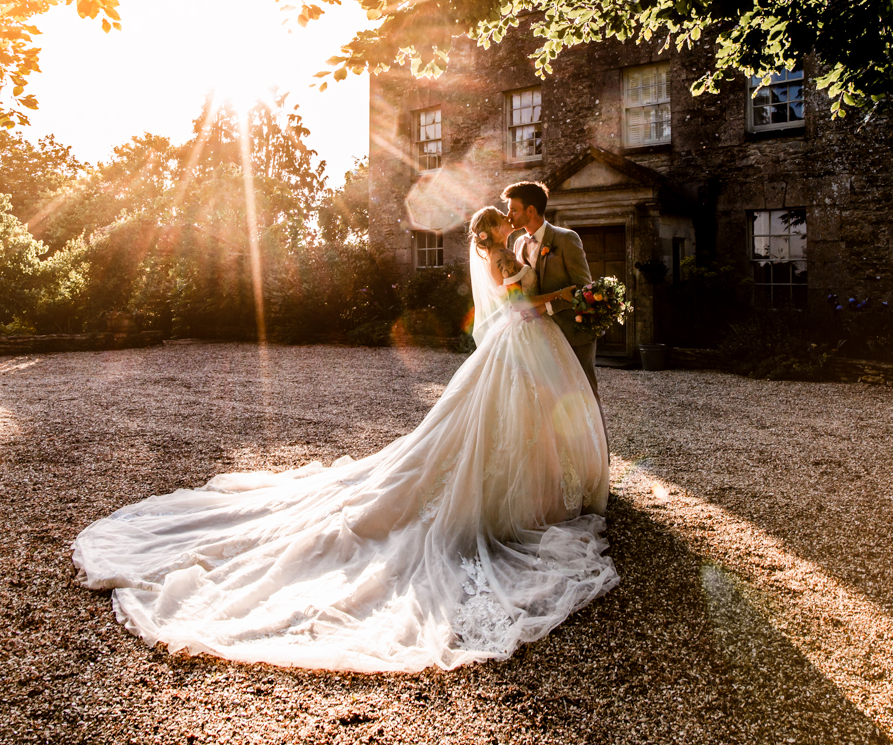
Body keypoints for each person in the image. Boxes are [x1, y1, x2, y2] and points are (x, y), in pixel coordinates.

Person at [72, 206, 615, 673]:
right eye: (501, 223)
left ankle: (540, 488)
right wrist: (551, 296)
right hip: (523, 331)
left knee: (512, 419)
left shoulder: (519, 247)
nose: (507, 225)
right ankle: (510, 500)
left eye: (506, 220)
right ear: (492, 232)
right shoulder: (503, 257)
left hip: (524, 339)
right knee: (487, 425)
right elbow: (517, 298)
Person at [502, 181, 604, 432]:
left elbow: (584, 290)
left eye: (513, 209)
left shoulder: (566, 239)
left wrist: (547, 308)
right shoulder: (517, 243)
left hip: (573, 330)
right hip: (540, 336)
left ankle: (600, 459)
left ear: (530, 210)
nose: (508, 215)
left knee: (585, 393)